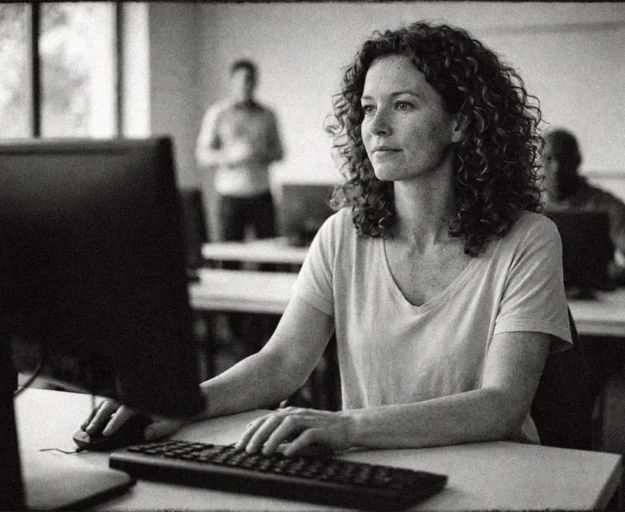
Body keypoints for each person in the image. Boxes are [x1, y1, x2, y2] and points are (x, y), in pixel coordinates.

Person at [83, 22, 573, 456]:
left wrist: (347, 426)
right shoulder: (343, 234)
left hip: (497, 475)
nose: (376, 127)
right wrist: (180, 405)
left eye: (403, 105)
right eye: (366, 108)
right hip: (374, 465)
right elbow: (280, 364)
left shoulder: (529, 239)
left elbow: (502, 404)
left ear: (460, 122)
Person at [195, 59, 284, 346]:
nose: (246, 85)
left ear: (255, 83)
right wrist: (230, 157)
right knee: (228, 262)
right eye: (241, 80)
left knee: (270, 260)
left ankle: (269, 332)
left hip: (261, 193)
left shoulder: (268, 115)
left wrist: (260, 154)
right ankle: (234, 333)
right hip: (230, 195)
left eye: (250, 80)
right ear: (232, 81)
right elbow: (203, 155)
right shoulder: (217, 113)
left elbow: (280, 151)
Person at [541, 128, 625, 288]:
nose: (556, 167)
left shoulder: (607, 206)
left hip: (596, 304)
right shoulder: (526, 205)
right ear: (538, 162)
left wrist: (606, 276)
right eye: (548, 159)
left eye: (564, 158)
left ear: (577, 161)